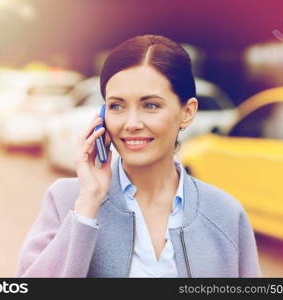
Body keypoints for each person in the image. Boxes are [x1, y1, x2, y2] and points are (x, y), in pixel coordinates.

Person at [15, 34, 261, 278]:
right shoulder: (66, 200)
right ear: (102, 115)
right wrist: (88, 206)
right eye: (117, 106)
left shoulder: (225, 213)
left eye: (150, 105)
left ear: (187, 112)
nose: (131, 123)